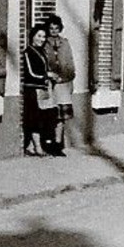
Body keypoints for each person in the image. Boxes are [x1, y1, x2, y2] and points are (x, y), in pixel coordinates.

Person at [20, 24, 59, 157]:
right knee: (34, 119)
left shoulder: (43, 52)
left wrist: (52, 76)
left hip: (43, 89)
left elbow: (45, 69)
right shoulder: (28, 52)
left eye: (43, 37)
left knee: (43, 117)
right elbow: (31, 73)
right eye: (39, 36)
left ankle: (31, 146)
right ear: (33, 37)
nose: (42, 39)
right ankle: (37, 147)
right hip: (32, 89)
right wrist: (46, 76)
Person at [44, 15, 76, 153]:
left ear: (60, 28)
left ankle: (58, 143)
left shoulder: (65, 43)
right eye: (51, 28)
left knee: (61, 117)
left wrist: (66, 77)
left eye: (56, 28)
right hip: (49, 84)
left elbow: (70, 63)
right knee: (50, 114)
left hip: (63, 84)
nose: (54, 31)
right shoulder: (44, 43)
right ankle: (48, 142)